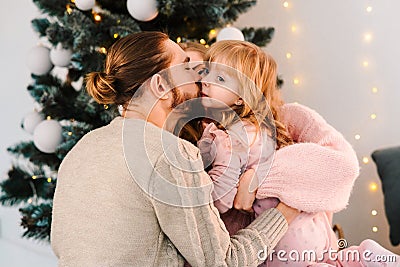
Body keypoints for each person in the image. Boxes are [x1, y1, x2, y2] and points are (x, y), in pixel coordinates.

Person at [50, 31, 301, 267]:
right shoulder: (169, 154)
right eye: (186, 66)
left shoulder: (84, 146)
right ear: (161, 86)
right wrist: (284, 214)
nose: (199, 75)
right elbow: (223, 261)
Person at [196, 40, 399, 266]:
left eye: (219, 78)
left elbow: (343, 164)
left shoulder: (241, 132)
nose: (203, 82)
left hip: (283, 237)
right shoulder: (253, 129)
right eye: (205, 73)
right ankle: (362, 256)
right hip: (307, 227)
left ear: (241, 96)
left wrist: (255, 179)